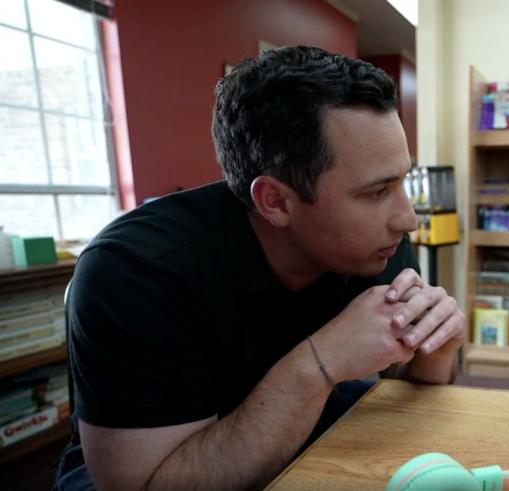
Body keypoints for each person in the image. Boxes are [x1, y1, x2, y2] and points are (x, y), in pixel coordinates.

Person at [55, 46, 465, 490]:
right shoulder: (135, 272)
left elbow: (405, 387)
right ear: (275, 201)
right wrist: (318, 364)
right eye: (376, 191)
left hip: (301, 440)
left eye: (402, 180)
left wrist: (437, 349)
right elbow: (147, 485)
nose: (408, 219)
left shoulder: (377, 242)